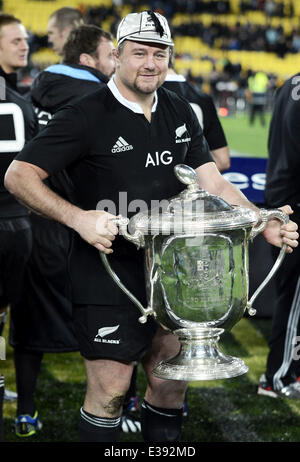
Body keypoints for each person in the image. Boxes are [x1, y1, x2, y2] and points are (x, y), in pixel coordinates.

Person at [5, 10, 298, 443]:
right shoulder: (85, 113)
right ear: (117, 55)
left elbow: (212, 179)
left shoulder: (177, 108)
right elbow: (18, 175)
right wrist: (79, 218)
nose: (150, 63)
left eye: (159, 54)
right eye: (139, 52)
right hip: (107, 273)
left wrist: (258, 220)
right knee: (110, 391)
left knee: (169, 383)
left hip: (174, 273)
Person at [9, 24, 132, 438]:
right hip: (85, 222)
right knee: (112, 321)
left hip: (36, 217)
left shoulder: (35, 88)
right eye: (110, 54)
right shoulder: (94, 102)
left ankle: (26, 409)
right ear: (87, 61)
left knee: (29, 320)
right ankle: (119, 407)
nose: (116, 61)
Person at [0, 13, 38, 441]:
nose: (24, 46)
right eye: (15, 40)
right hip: (15, 224)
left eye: (25, 40)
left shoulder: (22, 98)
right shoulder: (22, 102)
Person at [258, 72, 300, 399]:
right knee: (295, 296)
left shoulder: (291, 82)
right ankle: (280, 376)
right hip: (294, 203)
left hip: (282, 196)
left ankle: (284, 372)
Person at [163, 55, 230, 172]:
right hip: (192, 183)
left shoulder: (142, 95)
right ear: (171, 56)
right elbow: (222, 161)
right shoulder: (202, 97)